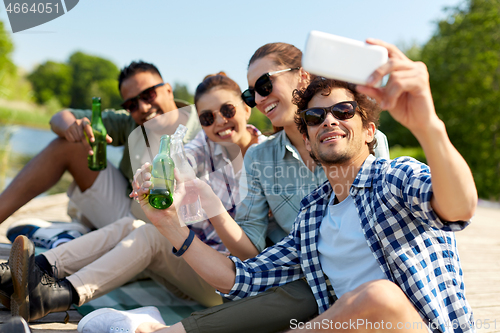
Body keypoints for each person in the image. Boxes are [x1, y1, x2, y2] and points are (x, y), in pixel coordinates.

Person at [111, 39, 476, 333]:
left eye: (344, 111)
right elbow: (241, 277)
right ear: (308, 137)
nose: (328, 120)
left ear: (369, 132)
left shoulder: (392, 179)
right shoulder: (313, 216)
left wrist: (428, 125)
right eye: (315, 118)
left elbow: (457, 209)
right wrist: (169, 226)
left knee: (381, 297)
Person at [77, 42, 392, 333]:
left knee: (318, 294)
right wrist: (190, 194)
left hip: (353, 285)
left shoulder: (366, 151)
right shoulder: (269, 165)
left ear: (303, 77)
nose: (258, 99)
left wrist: (426, 124)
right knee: (289, 288)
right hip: (292, 270)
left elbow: (415, 211)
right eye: (251, 93)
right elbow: (250, 261)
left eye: (265, 86)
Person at [5, 73, 266, 323]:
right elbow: (179, 159)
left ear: (246, 107)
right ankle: (33, 269)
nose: (219, 121)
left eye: (227, 110)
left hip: (228, 282)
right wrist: (152, 174)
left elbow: (254, 253)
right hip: (193, 263)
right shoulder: (206, 144)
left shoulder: (271, 161)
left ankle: (55, 296)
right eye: (207, 118)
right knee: (132, 225)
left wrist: (211, 206)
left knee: (149, 236)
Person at [0, 61, 201, 233]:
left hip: (174, 230)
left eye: (148, 95)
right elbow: (59, 117)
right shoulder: (130, 123)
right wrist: (72, 128)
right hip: (128, 211)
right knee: (69, 145)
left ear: (167, 89)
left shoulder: (205, 128)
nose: (143, 108)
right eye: (131, 105)